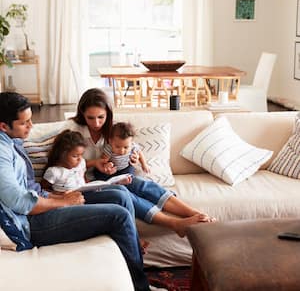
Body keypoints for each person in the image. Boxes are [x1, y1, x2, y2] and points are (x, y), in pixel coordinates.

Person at [0, 92, 150, 291]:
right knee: (119, 216)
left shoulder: (11, 141)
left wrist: (57, 195)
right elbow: (18, 201)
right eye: (24, 123)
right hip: (29, 223)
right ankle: (141, 288)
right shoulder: (1, 151)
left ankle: (133, 270)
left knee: (119, 194)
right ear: (3, 126)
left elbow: (28, 189)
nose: (31, 126)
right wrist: (63, 202)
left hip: (41, 203)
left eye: (30, 120)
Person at [66, 88, 215, 238]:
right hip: (89, 183)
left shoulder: (114, 130)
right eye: (90, 118)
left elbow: (129, 148)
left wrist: (134, 159)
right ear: (82, 114)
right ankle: (175, 224)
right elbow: (65, 161)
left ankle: (196, 213)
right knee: (126, 195)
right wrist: (94, 163)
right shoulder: (73, 130)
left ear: (108, 114)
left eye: (101, 117)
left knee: (141, 184)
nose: (96, 123)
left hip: (113, 175)